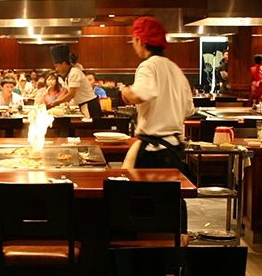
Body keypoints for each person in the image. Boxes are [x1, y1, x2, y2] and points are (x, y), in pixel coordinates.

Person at [119, 16, 195, 171]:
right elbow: (189, 110)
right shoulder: (176, 69)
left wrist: (124, 90)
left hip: (153, 153)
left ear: (140, 41)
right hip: (174, 150)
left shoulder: (148, 66)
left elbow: (138, 96)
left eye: (134, 40)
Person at [48, 44, 102, 118]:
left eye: (56, 66)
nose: (56, 69)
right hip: (84, 105)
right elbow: (66, 92)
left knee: (91, 125)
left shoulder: (74, 72)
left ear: (64, 64)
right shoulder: (68, 74)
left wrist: (55, 103)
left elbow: (71, 94)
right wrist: (55, 101)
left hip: (90, 106)